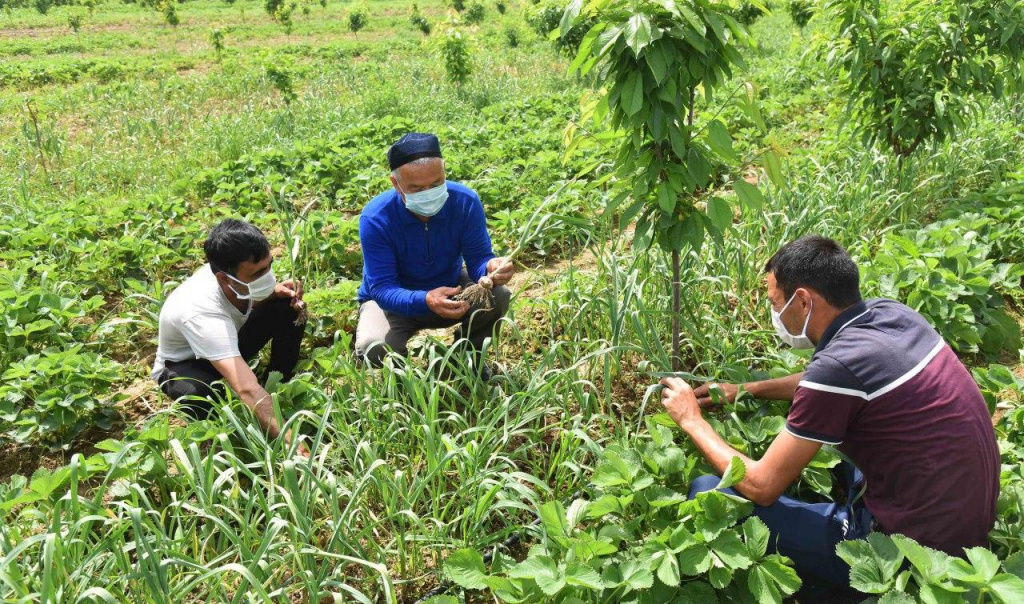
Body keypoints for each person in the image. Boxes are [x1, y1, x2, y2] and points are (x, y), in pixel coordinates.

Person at [659, 235, 999, 590]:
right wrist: (747, 389)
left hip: (916, 550)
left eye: (776, 303)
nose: (774, 314)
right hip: (968, 519)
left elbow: (761, 486)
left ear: (803, 301)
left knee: (707, 491)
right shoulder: (892, 314)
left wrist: (691, 420)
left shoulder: (836, 368)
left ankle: (837, 581)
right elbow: (822, 381)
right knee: (843, 445)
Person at [355, 132, 514, 377]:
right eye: (416, 188)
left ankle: (466, 359)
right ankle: (403, 381)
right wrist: (425, 300)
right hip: (393, 302)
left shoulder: (464, 202)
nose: (428, 193)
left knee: (498, 295)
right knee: (373, 346)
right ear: (396, 183)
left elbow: (478, 258)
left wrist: (491, 267)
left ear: (444, 173)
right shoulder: (377, 218)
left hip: (450, 289)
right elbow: (382, 288)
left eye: (436, 184)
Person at [152, 218, 309, 456]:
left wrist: (271, 294)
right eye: (258, 274)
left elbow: (241, 303)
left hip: (227, 339)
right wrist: (293, 444)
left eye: (269, 266)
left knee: (288, 307)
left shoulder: (233, 276)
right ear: (225, 278)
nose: (267, 276)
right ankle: (222, 436)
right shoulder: (200, 310)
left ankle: (278, 385)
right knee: (201, 394)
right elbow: (246, 390)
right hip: (185, 365)